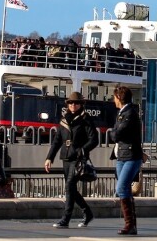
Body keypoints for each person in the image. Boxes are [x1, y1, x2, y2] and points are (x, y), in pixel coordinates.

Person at [45, 91, 98, 229]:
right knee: (71, 189)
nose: (73, 105)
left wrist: (82, 150)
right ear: (67, 104)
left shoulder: (86, 119)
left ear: (81, 104)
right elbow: (57, 141)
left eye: (76, 103)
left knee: (69, 186)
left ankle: (65, 219)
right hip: (66, 157)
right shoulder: (64, 120)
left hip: (78, 159)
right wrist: (49, 158)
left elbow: (94, 140)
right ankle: (87, 212)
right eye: (71, 103)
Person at [109, 85, 143, 236]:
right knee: (126, 190)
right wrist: (114, 132)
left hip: (131, 156)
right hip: (121, 156)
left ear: (119, 98)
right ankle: (131, 226)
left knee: (121, 188)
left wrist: (112, 132)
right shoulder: (122, 113)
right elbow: (117, 133)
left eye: (114, 97)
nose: (113, 100)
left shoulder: (129, 113)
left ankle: (129, 224)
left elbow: (116, 135)